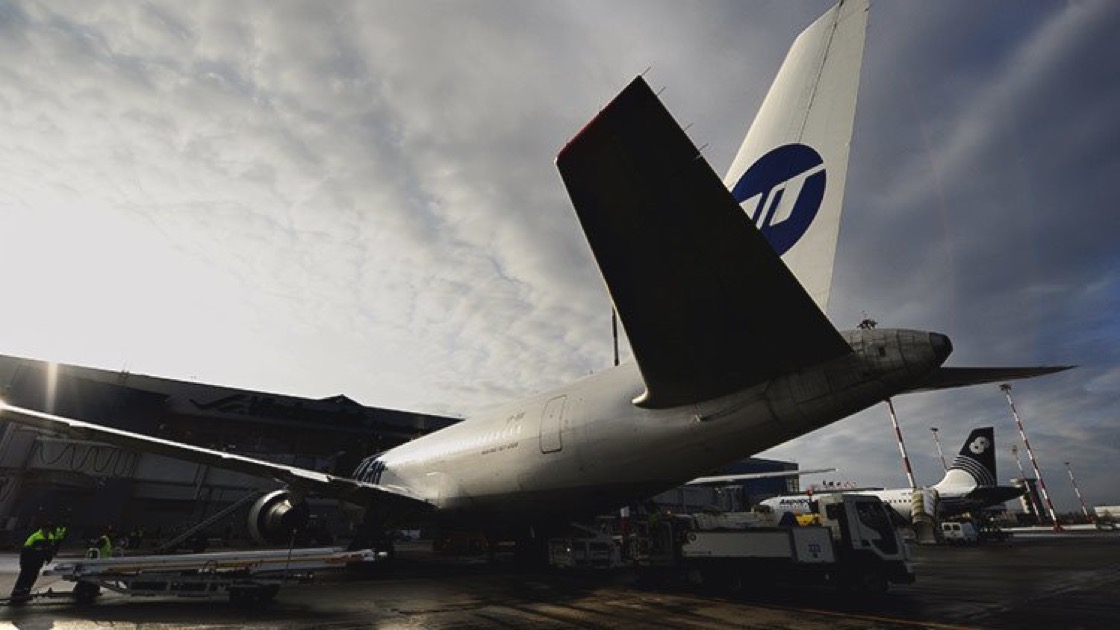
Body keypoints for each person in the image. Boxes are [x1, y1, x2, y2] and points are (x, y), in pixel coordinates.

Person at [9, 521, 55, 605]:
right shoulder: (35, 537)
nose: (48, 531)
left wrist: (49, 558)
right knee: (23, 578)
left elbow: (50, 550)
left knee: (32, 578)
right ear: (43, 529)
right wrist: (22, 563)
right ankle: (15, 596)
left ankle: (25, 594)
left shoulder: (50, 537)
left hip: (38, 563)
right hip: (28, 562)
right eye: (46, 529)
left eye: (49, 530)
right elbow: (25, 550)